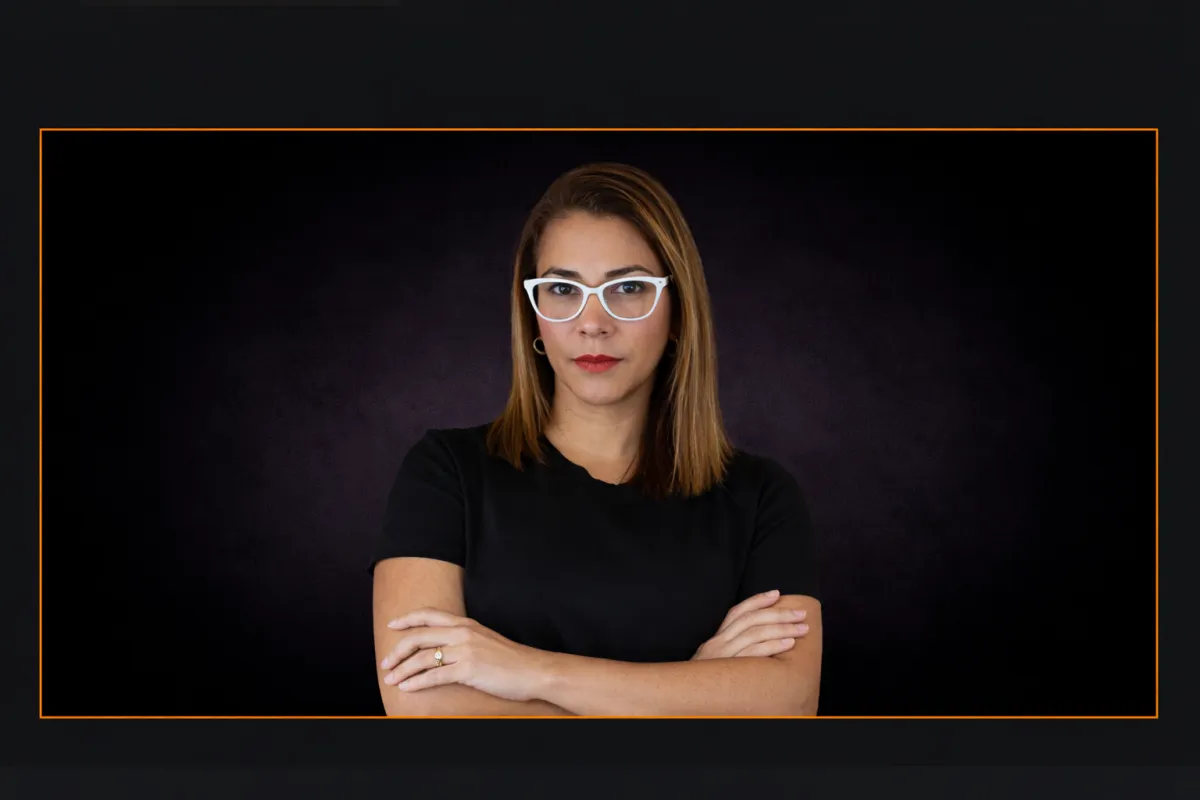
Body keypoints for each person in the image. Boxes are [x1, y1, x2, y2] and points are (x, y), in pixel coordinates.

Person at [369, 162, 822, 716]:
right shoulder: (445, 472)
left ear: (678, 311)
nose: (592, 322)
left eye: (628, 288)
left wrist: (528, 670)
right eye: (561, 289)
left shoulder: (761, 497)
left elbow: (789, 703)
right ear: (531, 314)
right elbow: (423, 709)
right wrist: (694, 691)